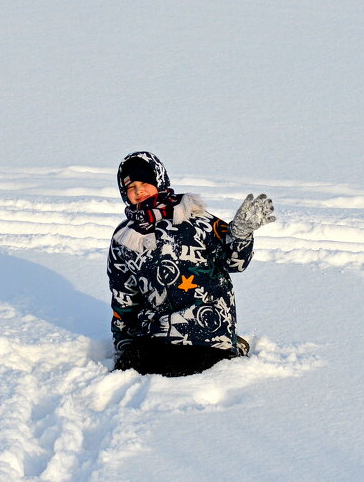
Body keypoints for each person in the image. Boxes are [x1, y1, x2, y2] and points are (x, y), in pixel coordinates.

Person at [107, 151, 275, 376]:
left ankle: (232, 347)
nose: (138, 191)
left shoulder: (194, 218)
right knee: (134, 369)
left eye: (145, 182)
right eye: (131, 187)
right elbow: (124, 298)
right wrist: (123, 347)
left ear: (159, 180)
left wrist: (241, 234)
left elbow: (236, 263)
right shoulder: (124, 237)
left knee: (187, 370)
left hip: (205, 330)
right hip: (155, 333)